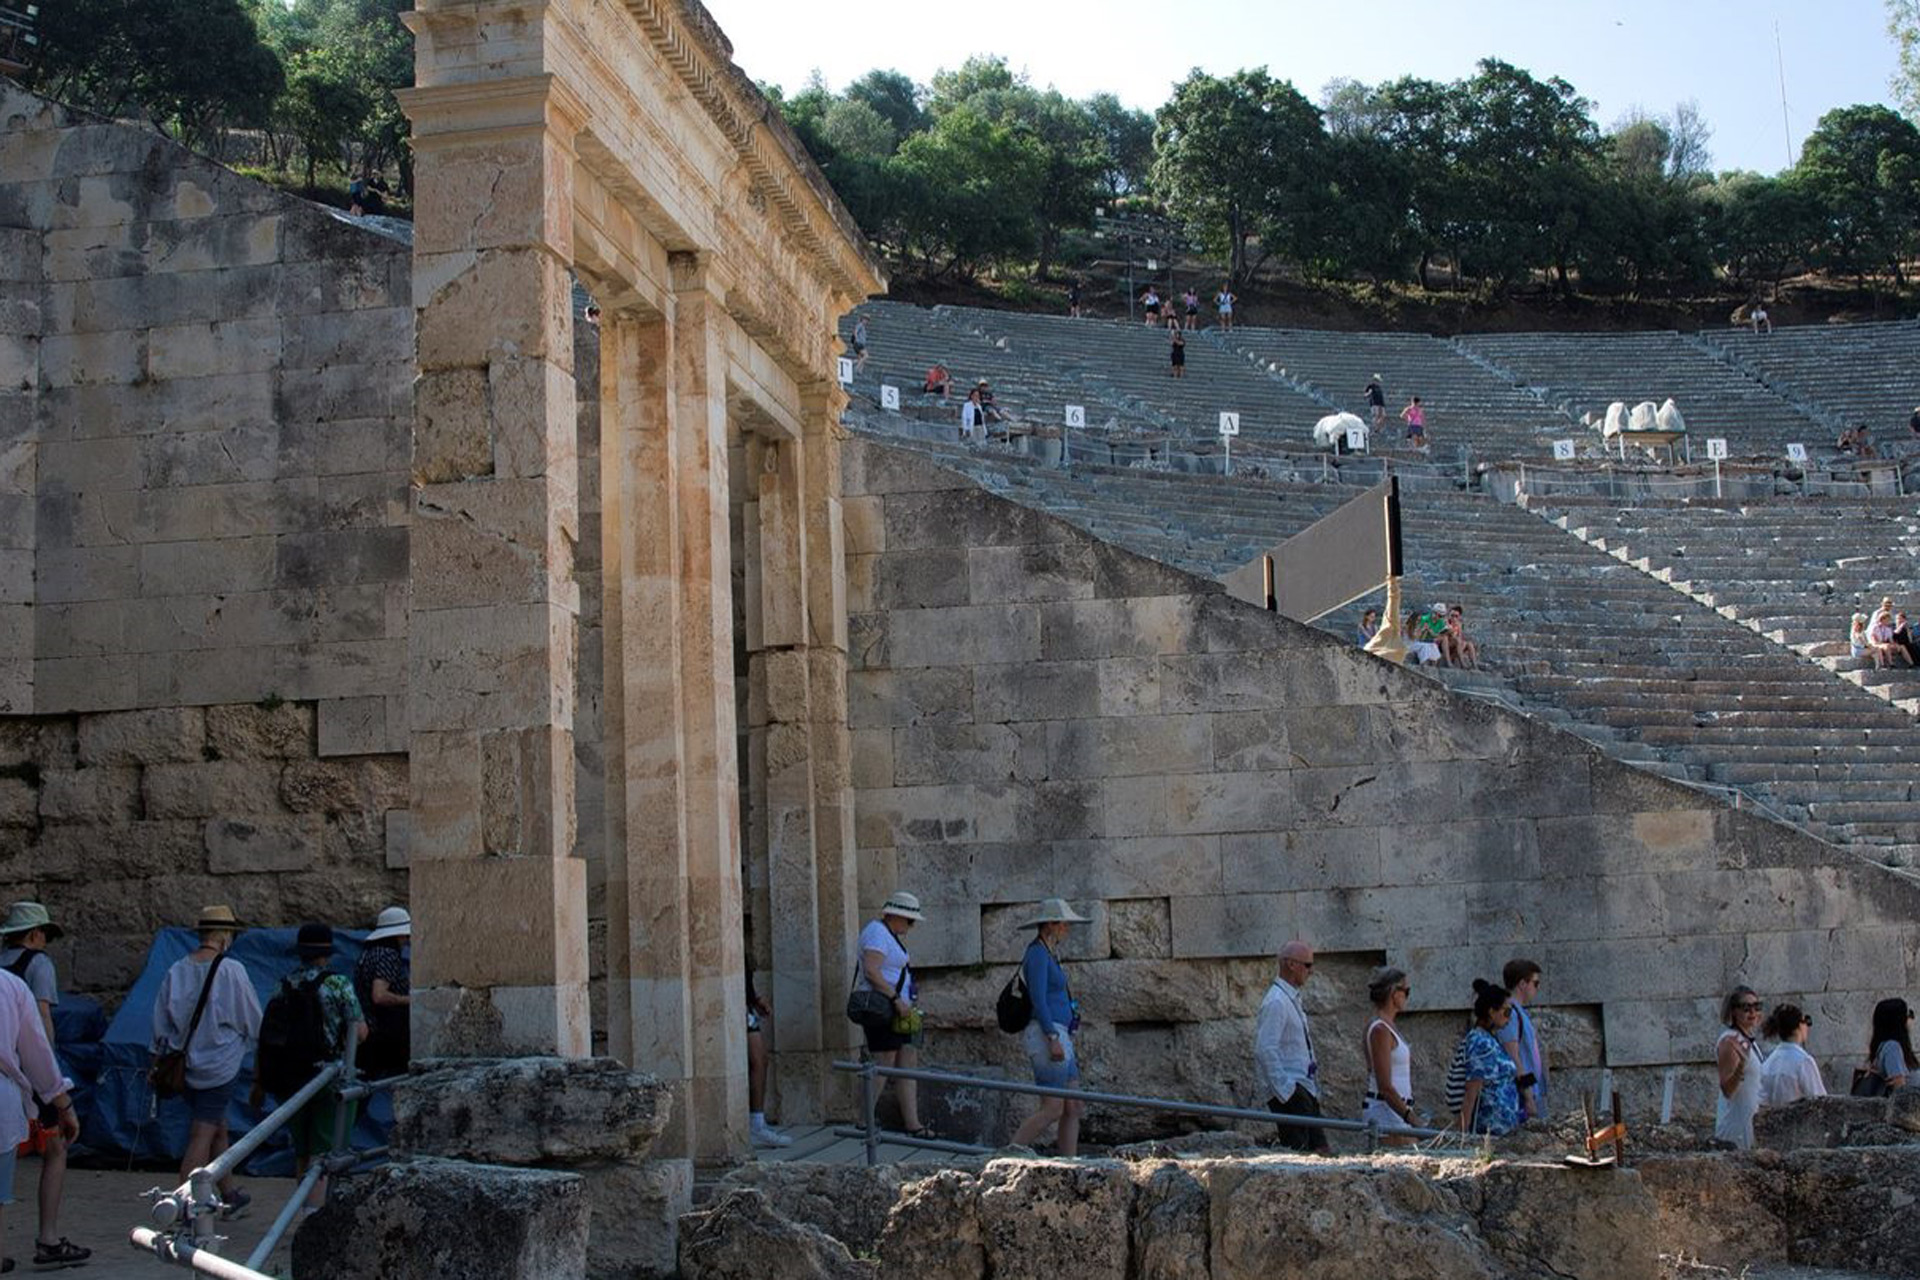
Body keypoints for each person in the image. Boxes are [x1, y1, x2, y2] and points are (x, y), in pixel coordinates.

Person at [152, 906, 261, 1219]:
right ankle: (183, 1203)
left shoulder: (177, 969)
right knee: (203, 1132)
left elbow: (160, 1022)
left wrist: (155, 1059)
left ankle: (228, 1193)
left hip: (184, 1065)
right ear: (225, 936)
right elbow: (252, 1019)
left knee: (217, 1127)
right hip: (219, 1064)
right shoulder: (231, 970)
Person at [0, 903, 87, 1269]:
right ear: (36, 934)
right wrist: (60, 1098)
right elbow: (40, 1033)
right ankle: (49, 1238)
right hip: (19, 1082)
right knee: (55, 1150)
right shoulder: (24, 976)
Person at [263, 924, 366, 1210]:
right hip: (329, 1077)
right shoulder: (338, 984)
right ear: (327, 954)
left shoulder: (283, 984)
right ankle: (314, 1218)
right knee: (323, 1151)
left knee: (302, 1151)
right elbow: (359, 1031)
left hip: (292, 1077)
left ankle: (302, 1207)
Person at [1008, 899, 1089, 1156]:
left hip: (1060, 1033)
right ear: (1051, 924)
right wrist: (1052, 1036)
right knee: (1053, 1107)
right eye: (1064, 923)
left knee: (1073, 1105)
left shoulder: (1050, 953)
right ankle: (1008, 1153)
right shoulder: (1037, 954)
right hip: (1048, 1033)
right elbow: (1039, 999)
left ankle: (1070, 1163)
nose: (1067, 928)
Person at [851, 893, 932, 1140]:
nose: (911, 926)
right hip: (884, 1007)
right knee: (884, 1061)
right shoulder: (876, 932)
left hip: (899, 1009)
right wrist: (895, 998)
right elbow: (872, 971)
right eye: (910, 921)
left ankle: (913, 1123)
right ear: (896, 915)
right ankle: (864, 1119)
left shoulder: (889, 935)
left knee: (907, 1058)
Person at [1254, 940, 1326, 1153]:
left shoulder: (1289, 998)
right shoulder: (1277, 1001)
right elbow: (1265, 1048)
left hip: (1304, 1087)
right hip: (1292, 1090)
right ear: (1291, 965)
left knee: (1320, 1149)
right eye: (1307, 965)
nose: (1310, 971)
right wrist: (1287, 1090)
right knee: (1302, 1152)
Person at [352, 906, 410, 1081]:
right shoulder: (388, 955)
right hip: (385, 1031)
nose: (407, 940)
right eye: (405, 935)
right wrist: (409, 999)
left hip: (367, 1028)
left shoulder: (367, 953)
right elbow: (379, 995)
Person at [1360, 968, 1416, 1145]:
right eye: (1406, 991)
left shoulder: (1386, 1027)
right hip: (1387, 1113)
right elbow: (1384, 1085)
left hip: (1396, 1111)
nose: (1407, 996)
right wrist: (1410, 1117)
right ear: (1394, 993)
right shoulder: (1380, 1030)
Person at [1458, 980, 1522, 1136]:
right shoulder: (1480, 1042)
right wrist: (1462, 1135)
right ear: (1492, 1012)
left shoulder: (1490, 1039)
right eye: (1506, 1012)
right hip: (1490, 1131)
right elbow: (1472, 1089)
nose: (1509, 1018)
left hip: (1504, 1130)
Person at [1495, 959, 1546, 1122]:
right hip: (1521, 1098)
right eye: (1535, 983)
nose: (1537, 988)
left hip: (1531, 1092)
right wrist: (1529, 1098)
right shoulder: (1510, 1014)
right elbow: (1514, 1057)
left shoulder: (1518, 1012)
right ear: (1522, 983)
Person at [1714, 986, 1765, 1149]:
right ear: (1734, 1012)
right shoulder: (1730, 1042)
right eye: (1746, 1008)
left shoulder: (1748, 1041)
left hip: (1750, 1127)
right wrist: (1741, 1067)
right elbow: (1728, 1090)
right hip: (1736, 1132)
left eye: (1757, 1007)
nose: (1753, 1013)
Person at [1759, 1004, 1826, 1107]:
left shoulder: (1769, 1062)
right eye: (1806, 1022)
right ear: (1798, 1026)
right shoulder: (1803, 1061)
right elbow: (1819, 1100)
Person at [1866, 997, 1916, 1092]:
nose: (1909, 1020)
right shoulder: (1892, 1048)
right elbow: (1900, 1089)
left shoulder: (1886, 1047)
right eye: (1908, 1015)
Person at [1868, 603, 1911, 669]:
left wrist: (1895, 645)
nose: (1888, 621)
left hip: (1884, 644)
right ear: (1882, 619)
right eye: (1887, 620)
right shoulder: (1875, 628)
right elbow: (1874, 641)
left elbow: (1891, 640)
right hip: (1876, 644)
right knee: (1886, 646)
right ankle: (1891, 664)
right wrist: (1885, 644)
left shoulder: (1888, 629)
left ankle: (1911, 663)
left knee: (1902, 646)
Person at [1446, 606, 1481, 671]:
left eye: (1456, 616)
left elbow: (1460, 636)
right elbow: (1449, 636)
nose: (1454, 618)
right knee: (1458, 641)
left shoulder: (1459, 624)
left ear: (1459, 617)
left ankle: (1474, 665)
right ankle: (1462, 664)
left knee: (1469, 644)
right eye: (1452, 615)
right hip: (1448, 645)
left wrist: (1463, 644)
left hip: (1456, 646)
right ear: (1449, 615)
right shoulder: (1446, 623)